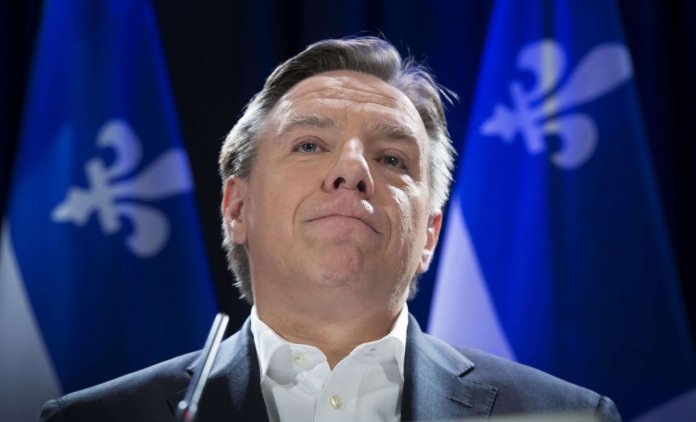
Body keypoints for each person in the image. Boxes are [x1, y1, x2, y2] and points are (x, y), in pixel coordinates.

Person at [39, 36, 621, 422]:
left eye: (392, 158)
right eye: (310, 145)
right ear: (237, 209)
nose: (352, 170)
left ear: (428, 236)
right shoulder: (95, 420)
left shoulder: (563, 416)